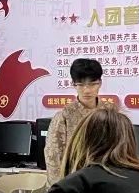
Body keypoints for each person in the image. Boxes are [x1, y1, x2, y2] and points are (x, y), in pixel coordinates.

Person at [44, 57, 103, 185]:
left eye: (92, 84)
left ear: (100, 83)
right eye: (81, 84)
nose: (87, 90)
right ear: (73, 84)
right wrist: (60, 189)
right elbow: (53, 157)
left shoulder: (110, 113)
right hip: (74, 183)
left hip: (105, 181)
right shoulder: (64, 116)